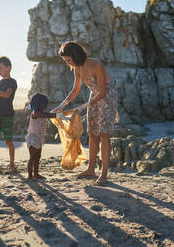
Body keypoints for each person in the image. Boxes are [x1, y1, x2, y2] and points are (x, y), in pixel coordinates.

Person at [53, 41, 118, 184]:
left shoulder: (96, 65)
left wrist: (83, 107)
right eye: (65, 61)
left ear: (75, 56)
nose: (68, 63)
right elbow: (75, 90)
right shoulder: (77, 68)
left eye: (68, 60)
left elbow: (103, 92)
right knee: (92, 133)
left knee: (104, 133)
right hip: (94, 96)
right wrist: (62, 105)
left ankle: (105, 173)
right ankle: (91, 169)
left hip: (107, 96)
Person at [25, 93, 68, 180]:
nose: (45, 106)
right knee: (32, 158)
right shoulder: (35, 113)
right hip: (33, 139)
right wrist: (57, 116)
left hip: (39, 139)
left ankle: (36, 174)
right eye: (43, 104)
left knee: (37, 158)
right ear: (38, 104)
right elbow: (47, 115)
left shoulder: (41, 112)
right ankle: (29, 176)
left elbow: (47, 114)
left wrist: (59, 113)